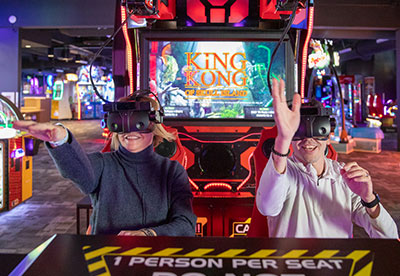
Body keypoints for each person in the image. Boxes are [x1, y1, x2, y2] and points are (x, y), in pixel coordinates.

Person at [13, 95, 197, 237]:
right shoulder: (103, 164)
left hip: (155, 259)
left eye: (138, 123)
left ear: (154, 126)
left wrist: (147, 234)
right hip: (106, 257)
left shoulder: (171, 171)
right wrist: (60, 140)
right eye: (123, 124)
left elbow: (186, 223)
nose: (130, 132)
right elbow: (80, 171)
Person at [256, 78, 399, 239]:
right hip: (292, 263)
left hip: (337, 263)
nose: (308, 139)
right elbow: (267, 207)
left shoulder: (344, 177)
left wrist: (369, 199)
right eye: (300, 130)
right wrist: (282, 138)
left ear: (328, 135)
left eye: (318, 129)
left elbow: (389, 237)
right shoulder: (283, 172)